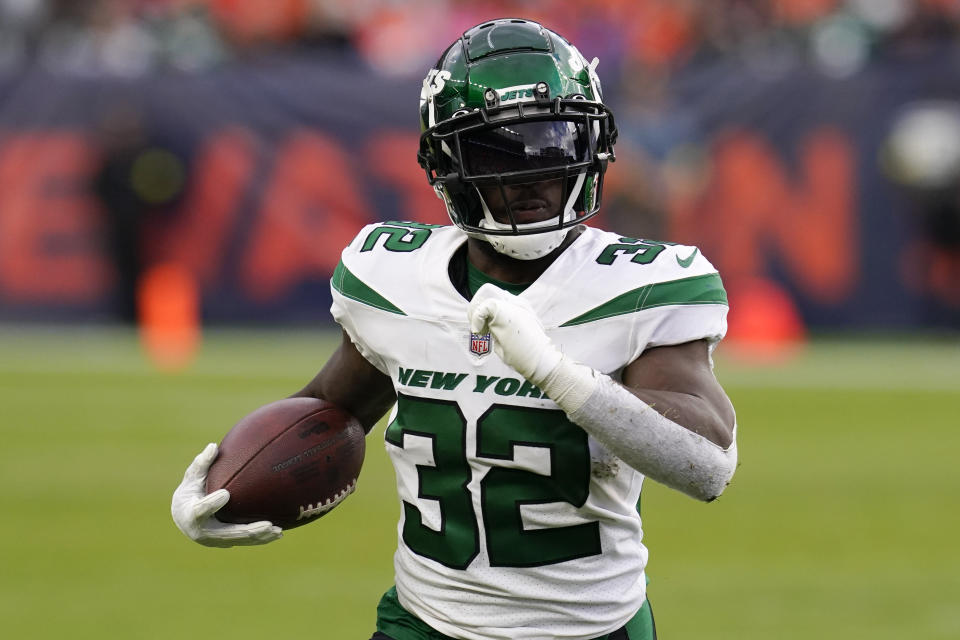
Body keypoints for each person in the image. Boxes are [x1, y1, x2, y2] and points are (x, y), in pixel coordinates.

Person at [172, 18, 738, 640]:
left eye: (554, 144)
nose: (536, 175)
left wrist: (559, 377)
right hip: (424, 621)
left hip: (590, 626)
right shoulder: (391, 275)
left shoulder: (644, 282)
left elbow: (709, 464)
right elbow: (331, 409)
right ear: (447, 163)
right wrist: (231, 483)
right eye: (500, 150)